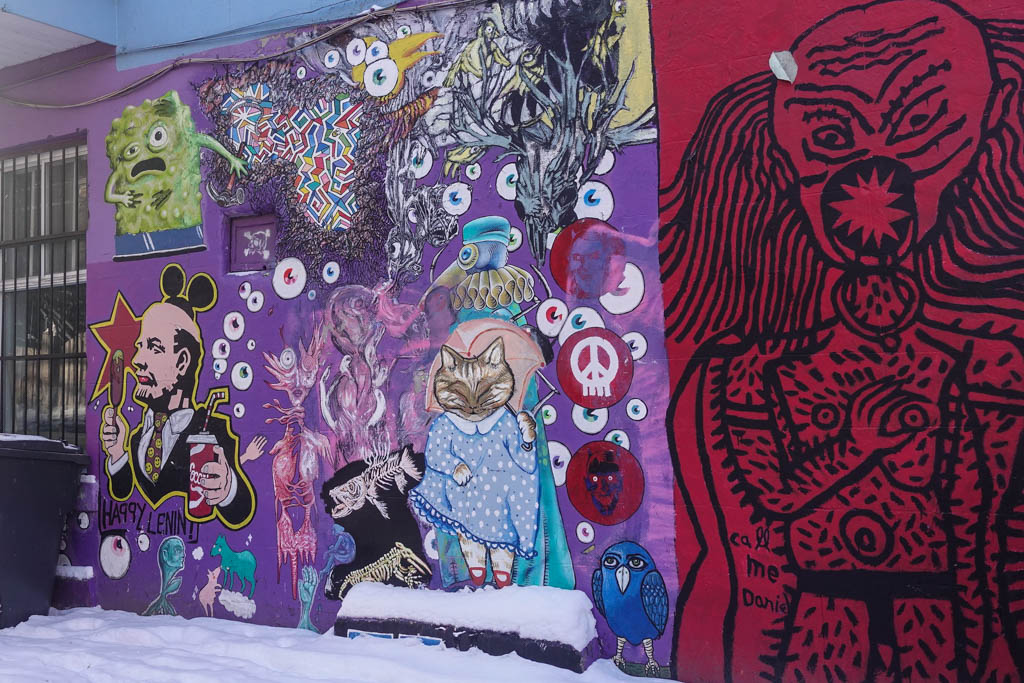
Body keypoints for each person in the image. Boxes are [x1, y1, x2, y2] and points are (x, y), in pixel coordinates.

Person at [100, 264, 259, 528]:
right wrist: (117, 453)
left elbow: (240, 510)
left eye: (153, 348)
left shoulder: (213, 432)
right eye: (140, 347)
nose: (137, 360)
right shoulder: (137, 436)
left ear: (182, 362)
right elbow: (122, 491)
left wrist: (226, 488)